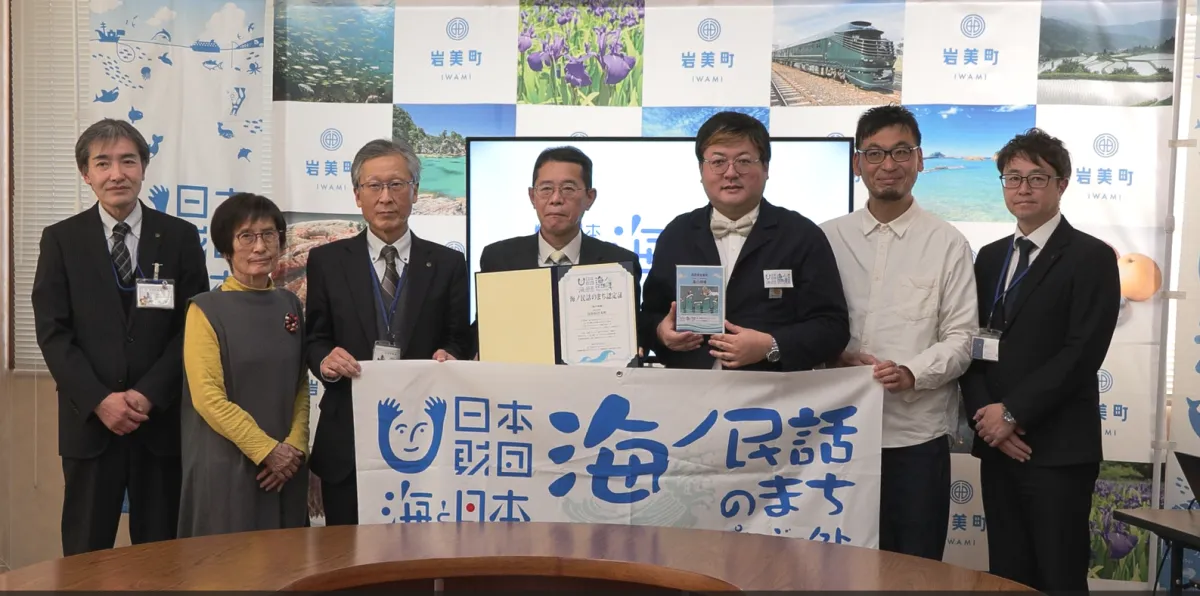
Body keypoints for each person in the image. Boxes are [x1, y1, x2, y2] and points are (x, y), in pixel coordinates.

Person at [31, 118, 209, 555]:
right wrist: (100, 400)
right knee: (85, 554)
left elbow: (193, 327)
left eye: (128, 161)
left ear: (144, 168)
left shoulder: (180, 237)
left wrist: (148, 394)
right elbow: (53, 333)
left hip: (158, 424)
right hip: (90, 425)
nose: (117, 174)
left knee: (163, 556)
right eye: (103, 163)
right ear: (86, 173)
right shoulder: (61, 240)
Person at [960, 128, 1119, 592]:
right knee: (1007, 576)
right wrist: (988, 420)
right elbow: (972, 344)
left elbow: (1082, 353)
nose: (1023, 188)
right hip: (997, 447)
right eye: (1013, 178)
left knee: (1059, 576)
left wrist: (1013, 413)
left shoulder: (1091, 256)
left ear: (1061, 184)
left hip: (1057, 451)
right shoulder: (990, 258)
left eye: (1037, 178)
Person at [821, 105, 977, 560]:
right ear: (858, 164)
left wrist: (911, 372)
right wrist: (833, 355)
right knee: (838, 566)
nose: (888, 164)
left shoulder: (948, 243)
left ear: (920, 160)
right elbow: (808, 324)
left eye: (901, 151)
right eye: (874, 153)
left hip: (914, 437)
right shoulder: (826, 239)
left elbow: (962, 337)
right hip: (835, 435)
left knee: (915, 566)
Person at [305, 138, 471, 525]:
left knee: (419, 553)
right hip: (348, 436)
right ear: (357, 195)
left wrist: (451, 356)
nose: (385, 197)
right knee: (346, 554)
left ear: (415, 191)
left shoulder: (447, 263)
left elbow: (459, 338)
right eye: (374, 186)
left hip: (427, 435)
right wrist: (326, 361)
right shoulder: (327, 261)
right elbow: (315, 339)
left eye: (396, 184)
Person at [641, 111, 849, 371]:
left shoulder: (802, 235)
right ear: (701, 170)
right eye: (718, 161)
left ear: (766, 168)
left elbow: (832, 327)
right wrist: (661, 333)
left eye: (743, 161)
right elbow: (649, 316)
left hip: (773, 390)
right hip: (690, 388)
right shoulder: (677, 234)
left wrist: (771, 346)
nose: (731, 173)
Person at [177, 193, 309, 537]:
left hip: (285, 469)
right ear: (226, 248)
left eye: (268, 235)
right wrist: (267, 451)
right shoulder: (205, 309)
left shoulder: (290, 304)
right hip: (227, 465)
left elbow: (299, 384)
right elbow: (208, 397)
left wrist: (295, 448)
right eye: (246, 236)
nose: (260, 246)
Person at [474, 146, 644, 356]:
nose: (556, 198)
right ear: (532, 196)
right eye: (546, 189)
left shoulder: (619, 264)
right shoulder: (499, 258)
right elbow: (483, 329)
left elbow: (634, 331)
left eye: (568, 189)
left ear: (590, 197)